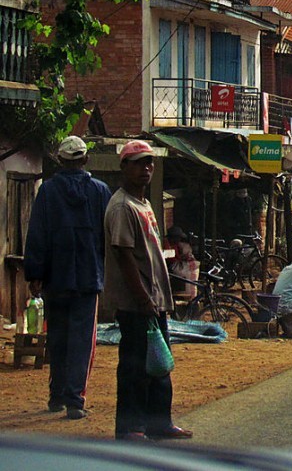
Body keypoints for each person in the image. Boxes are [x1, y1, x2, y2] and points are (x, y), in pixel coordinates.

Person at [104, 140, 192, 442]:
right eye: (139, 163)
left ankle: (159, 423)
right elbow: (124, 255)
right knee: (134, 368)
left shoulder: (143, 204)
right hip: (135, 304)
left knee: (159, 364)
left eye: (149, 163)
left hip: (154, 301)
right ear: (124, 167)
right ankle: (130, 428)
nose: (145, 169)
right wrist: (141, 297)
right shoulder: (121, 206)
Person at [23, 136, 112, 420]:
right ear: (85, 159)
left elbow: (37, 234)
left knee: (58, 337)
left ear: (60, 161)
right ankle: (75, 399)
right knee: (82, 340)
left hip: (55, 278)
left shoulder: (48, 192)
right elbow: (109, 237)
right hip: (88, 278)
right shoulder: (101, 192)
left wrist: (35, 274)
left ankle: (56, 395)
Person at [164, 226, 199, 298]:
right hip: (171, 267)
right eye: (178, 237)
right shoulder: (167, 244)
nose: (179, 239)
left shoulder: (176, 245)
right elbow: (171, 259)